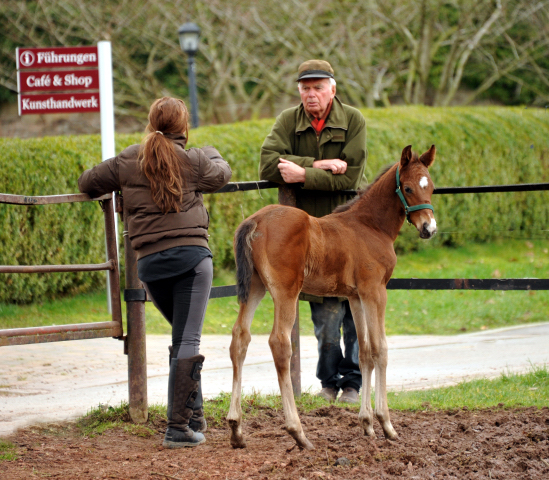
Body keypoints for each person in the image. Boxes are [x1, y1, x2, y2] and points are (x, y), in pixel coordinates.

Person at [78, 97, 232, 447]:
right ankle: (177, 428)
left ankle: (194, 416)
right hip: (192, 259)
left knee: (182, 337)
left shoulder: (129, 158)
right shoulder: (194, 159)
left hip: (149, 264)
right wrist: (211, 151)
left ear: (150, 123)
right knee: (187, 340)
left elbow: (87, 182)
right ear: (184, 127)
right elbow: (222, 174)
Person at [259, 60, 367, 404]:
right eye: (305, 88)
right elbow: (266, 163)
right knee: (325, 319)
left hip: (351, 231)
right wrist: (318, 166)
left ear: (333, 89)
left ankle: (354, 384)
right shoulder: (288, 120)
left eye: (318, 87)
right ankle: (328, 383)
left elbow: (350, 178)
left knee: (355, 314)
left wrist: (301, 173)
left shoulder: (353, 120)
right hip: (311, 236)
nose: (311, 94)